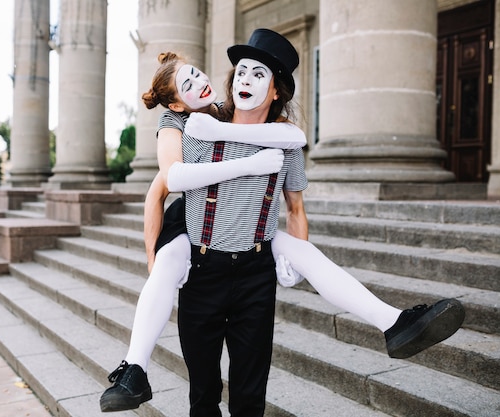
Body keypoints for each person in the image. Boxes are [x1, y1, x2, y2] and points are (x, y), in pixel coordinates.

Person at [101, 31, 465, 415]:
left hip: (255, 274)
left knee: (250, 395)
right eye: (241, 72)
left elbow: (295, 209)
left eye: (258, 75)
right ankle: (134, 369)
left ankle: (395, 324)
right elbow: (162, 187)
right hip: (202, 268)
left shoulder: (286, 143)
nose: (244, 79)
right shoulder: (196, 129)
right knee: (203, 394)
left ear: (276, 91)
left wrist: (290, 265)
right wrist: (152, 260)